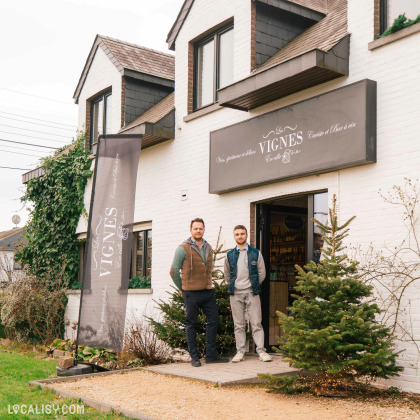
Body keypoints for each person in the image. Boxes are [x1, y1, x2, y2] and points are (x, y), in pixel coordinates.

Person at [170, 218, 229, 367]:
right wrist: (182, 288)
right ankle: (194, 356)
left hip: (207, 291)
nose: (198, 231)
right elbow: (173, 271)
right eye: (195, 228)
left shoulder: (208, 247)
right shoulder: (182, 248)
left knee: (214, 320)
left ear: (204, 230)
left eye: (201, 228)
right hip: (191, 292)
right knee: (191, 324)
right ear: (191, 230)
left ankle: (211, 355)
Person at [224, 225, 272, 362]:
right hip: (236, 294)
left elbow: (262, 272)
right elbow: (227, 275)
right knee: (239, 324)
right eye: (237, 234)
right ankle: (240, 351)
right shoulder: (229, 255)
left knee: (256, 322)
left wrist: (253, 285)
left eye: (242, 234)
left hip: (252, 292)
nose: (240, 236)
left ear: (246, 235)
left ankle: (261, 351)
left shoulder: (255, 253)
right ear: (234, 236)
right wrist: (235, 286)